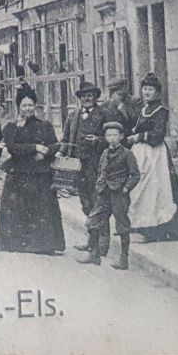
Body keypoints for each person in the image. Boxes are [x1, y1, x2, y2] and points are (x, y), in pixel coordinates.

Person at [0, 85, 66, 255]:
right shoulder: (12, 127)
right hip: (19, 173)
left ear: (35, 106)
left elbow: (55, 144)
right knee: (17, 208)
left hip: (40, 173)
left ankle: (44, 245)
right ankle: (18, 243)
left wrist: (46, 153)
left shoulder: (45, 125)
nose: (28, 109)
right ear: (18, 107)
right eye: (24, 106)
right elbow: (12, 147)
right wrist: (34, 147)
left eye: (30, 105)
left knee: (42, 208)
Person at [126, 73, 178, 242]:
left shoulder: (161, 110)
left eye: (150, 89)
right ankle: (141, 227)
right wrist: (132, 134)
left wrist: (139, 137)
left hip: (155, 156)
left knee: (157, 190)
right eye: (145, 89)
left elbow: (157, 135)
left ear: (157, 92)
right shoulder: (144, 109)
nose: (147, 92)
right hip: (141, 154)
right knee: (140, 188)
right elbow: (138, 127)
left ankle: (156, 230)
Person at [78, 121, 140, 270]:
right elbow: (101, 170)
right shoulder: (105, 153)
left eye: (115, 135)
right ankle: (94, 254)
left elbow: (135, 175)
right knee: (93, 221)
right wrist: (99, 183)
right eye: (109, 135)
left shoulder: (127, 154)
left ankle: (123, 259)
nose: (112, 138)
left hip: (119, 195)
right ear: (105, 137)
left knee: (122, 226)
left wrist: (125, 189)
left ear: (121, 136)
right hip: (104, 193)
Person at [66, 80, 109, 245]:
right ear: (80, 98)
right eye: (84, 96)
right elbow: (65, 139)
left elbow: (115, 139)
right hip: (78, 164)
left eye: (90, 96)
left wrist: (98, 140)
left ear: (96, 97)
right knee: (85, 202)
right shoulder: (73, 115)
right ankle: (92, 241)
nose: (87, 99)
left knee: (99, 202)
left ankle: (103, 243)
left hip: (97, 164)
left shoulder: (104, 114)